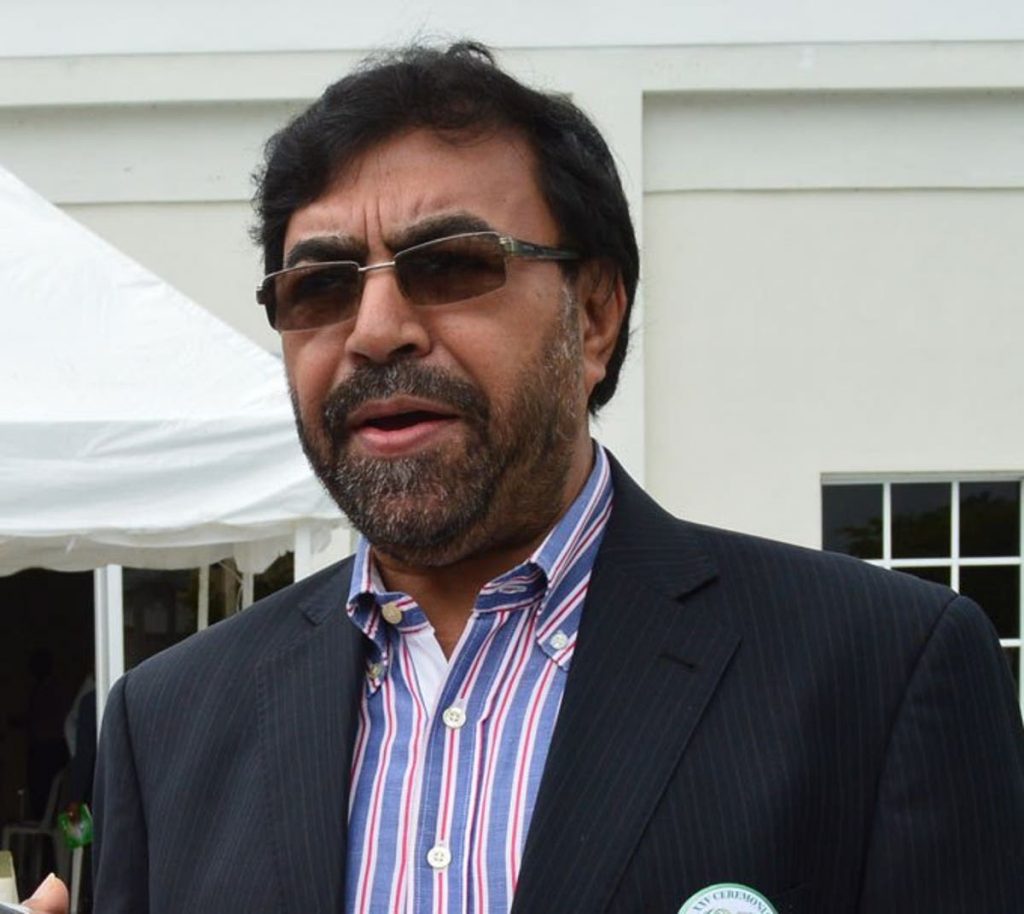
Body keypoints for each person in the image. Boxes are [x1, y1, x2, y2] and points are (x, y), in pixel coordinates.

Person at [25, 41, 1024, 914]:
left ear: (594, 316)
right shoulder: (168, 724)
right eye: (320, 286)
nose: (376, 330)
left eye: (451, 264)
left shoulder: (878, 676)